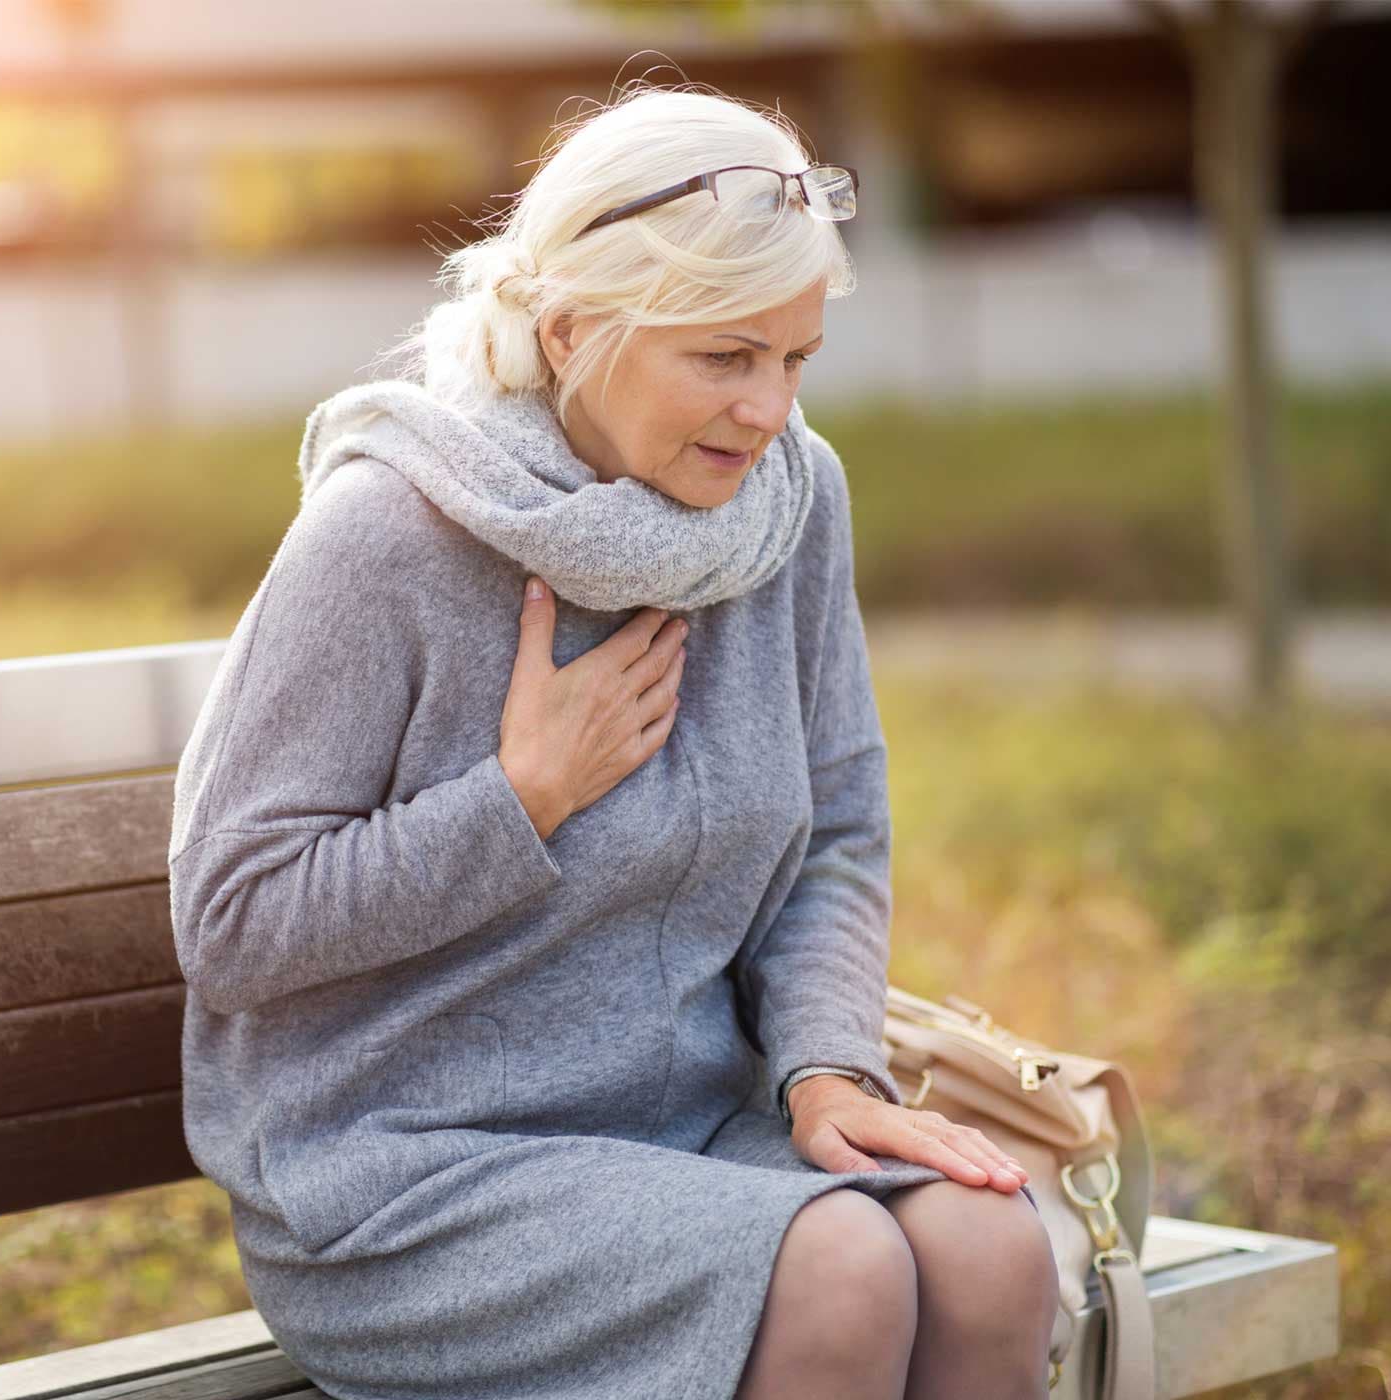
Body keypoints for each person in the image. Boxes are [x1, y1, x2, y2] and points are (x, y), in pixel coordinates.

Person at [167, 82, 1061, 1400]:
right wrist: (518, 799)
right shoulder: (388, 536)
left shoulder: (790, 508)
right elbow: (234, 922)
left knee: (994, 1248)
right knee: (841, 1273)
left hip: (687, 1133)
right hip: (411, 1173)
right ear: (577, 328)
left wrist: (824, 1071)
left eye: (794, 359)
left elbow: (839, 834)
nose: (768, 412)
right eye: (723, 358)